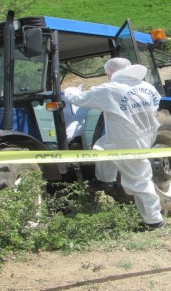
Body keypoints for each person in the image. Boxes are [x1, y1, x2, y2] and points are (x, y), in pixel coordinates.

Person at [62, 58, 165, 229]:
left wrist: (69, 90)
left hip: (129, 141)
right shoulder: (148, 87)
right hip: (143, 134)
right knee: (102, 147)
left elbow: (80, 98)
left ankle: (154, 221)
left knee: (140, 180)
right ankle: (105, 180)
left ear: (110, 73)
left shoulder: (110, 89)